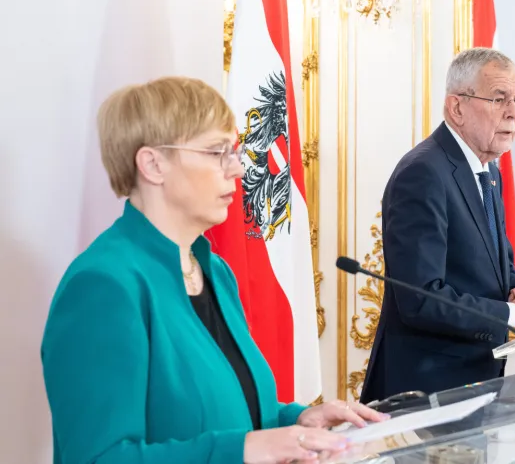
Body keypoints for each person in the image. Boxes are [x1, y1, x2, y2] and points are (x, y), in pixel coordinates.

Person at [41, 77, 386, 464]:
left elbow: (228, 409)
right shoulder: (104, 286)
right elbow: (97, 457)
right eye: (217, 151)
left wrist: (298, 419)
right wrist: (243, 450)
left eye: (234, 151)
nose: (237, 169)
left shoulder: (214, 271)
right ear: (153, 164)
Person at [360, 48, 515, 404]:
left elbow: (483, 270)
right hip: (426, 390)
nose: (513, 112)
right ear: (457, 108)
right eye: (499, 99)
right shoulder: (423, 173)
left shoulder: (487, 170)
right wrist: (514, 312)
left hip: (474, 381)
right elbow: (420, 297)